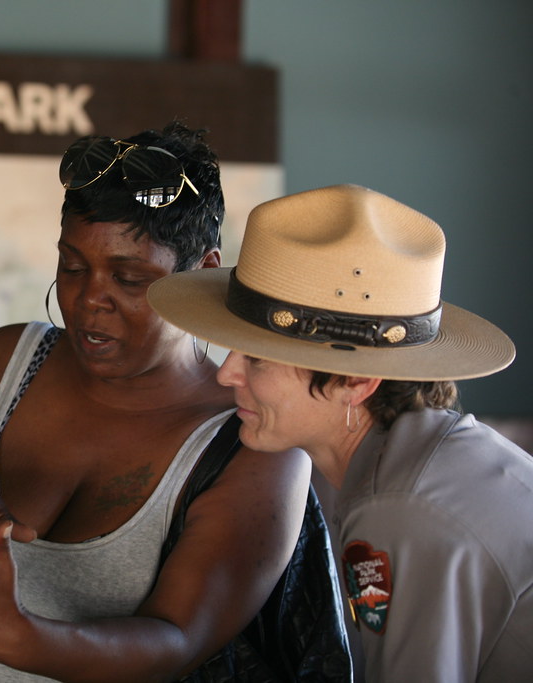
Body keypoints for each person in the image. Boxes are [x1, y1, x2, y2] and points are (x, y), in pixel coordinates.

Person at [0, 123, 329, 682]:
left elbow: (180, 641)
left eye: (130, 278)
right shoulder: (4, 364)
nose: (91, 299)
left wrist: (19, 637)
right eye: (72, 266)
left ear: (204, 274)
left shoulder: (251, 443)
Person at [147, 183, 533, 682]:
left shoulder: (402, 505)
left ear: (355, 381)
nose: (227, 374)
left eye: (257, 358)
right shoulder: (422, 463)